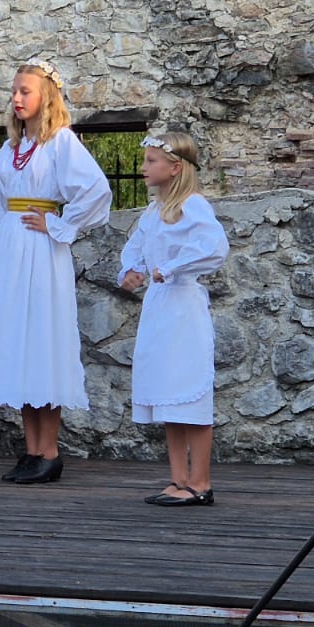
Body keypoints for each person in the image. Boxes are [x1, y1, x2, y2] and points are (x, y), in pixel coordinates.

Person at [0, 60, 112, 485]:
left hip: (40, 249)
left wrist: (58, 223)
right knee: (17, 343)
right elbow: (0, 207)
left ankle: (50, 451)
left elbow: (96, 192)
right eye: (15, 92)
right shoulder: (11, 149)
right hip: (11, 250)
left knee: (41, 341)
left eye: (25, 92)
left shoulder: (61, 143)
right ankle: (31, 448)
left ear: (46, 97)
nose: (17, 99)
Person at [119, 130, 229, 507]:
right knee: (169, 393)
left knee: (189, 390)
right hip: (160, 306)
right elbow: (135, 247)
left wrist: (172, 266)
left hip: (183, 305)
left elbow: (213, 246)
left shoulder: (192, 205)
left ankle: (201, 482)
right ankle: (178, 478)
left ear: (175, 167)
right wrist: (131, 271)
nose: (143, 167)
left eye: (151, 161)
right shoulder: (155, 211)